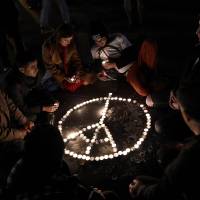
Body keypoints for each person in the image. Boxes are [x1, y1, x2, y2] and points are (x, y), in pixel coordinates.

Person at [129, 80, 200, 200]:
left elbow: (163, 191)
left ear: (187, 115)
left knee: (161, 156)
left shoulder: (190, 153)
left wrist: (141, 190)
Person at [6, 50, 59, 124]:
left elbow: (41, 89)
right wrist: (43, 108)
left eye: (36, 65)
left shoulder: (35, 75)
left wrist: (52, 100)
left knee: (51, 102)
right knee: (32, 117)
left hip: (32, 99)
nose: (36, 69)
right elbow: (22, 108)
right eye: (32, 67)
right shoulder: (14, 86)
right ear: (22, 70)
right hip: (21, 108)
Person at [42, 23, 95, 92]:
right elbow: (50, 67)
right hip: (56, 69)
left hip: (67, 66)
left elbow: (76, 59)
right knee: (50, 87)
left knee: (75, 82)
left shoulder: (71, 44)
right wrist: (64, 77)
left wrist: (78, 72)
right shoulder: (47, 47)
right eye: (66, 40)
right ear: (58, 38)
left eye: (70, 40)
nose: (69, 42)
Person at [0, 89, 34, 186]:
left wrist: (24, 121)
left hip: (9, 126)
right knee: (21, 146)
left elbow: (11, 105)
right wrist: (21, 134)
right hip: (3, 141)